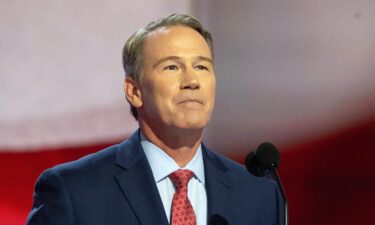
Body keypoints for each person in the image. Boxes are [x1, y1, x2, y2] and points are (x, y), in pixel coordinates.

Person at [26, 14, 284, 225]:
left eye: (202, 67)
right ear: (134, 91)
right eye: (172, 67)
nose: (192, 81)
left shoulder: (258, 194)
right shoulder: (74, 190)